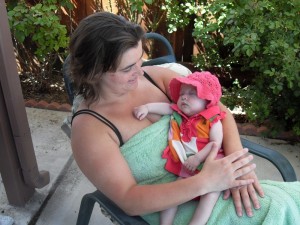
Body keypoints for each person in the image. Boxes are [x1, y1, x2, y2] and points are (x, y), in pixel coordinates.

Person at [69, 11, 300, 225]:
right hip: (179, 208)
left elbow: (219, 112)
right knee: (277, 211)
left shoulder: (155, 78)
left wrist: (239, 167)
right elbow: (129, 199)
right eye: (128, 68)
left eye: (141, 59)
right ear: (94, 72)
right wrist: (206, 182)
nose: (140, 72)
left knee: (285, 203)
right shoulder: (90, 129)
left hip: (219, 180)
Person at [134, 71, 226, 225]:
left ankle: (196, 222)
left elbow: (215, 144)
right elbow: (165, 107)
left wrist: (198, 158)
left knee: (211, 193)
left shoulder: (212, 120)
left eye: (192, 93)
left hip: (209, 163)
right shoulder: (180, 113)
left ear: (207, 100)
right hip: (189, 166)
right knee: (175, 190)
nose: (184, 97)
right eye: (182, 93)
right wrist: (147, 108)